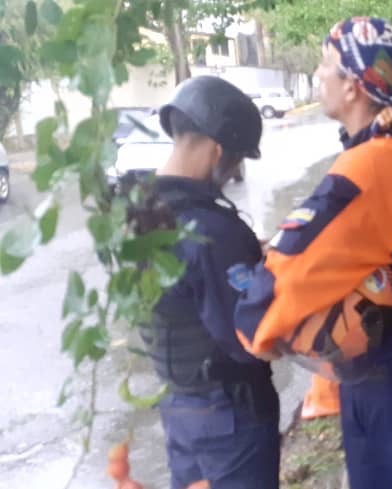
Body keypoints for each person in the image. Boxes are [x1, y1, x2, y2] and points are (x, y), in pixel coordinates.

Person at [234, 16, 392, 489]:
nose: (318, 74)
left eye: (326, 64)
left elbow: (292, 266)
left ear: (355, 85)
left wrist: (252, 325)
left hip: (390, 394)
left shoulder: (371, 165)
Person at [129, 76, 280, 489]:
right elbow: (250, 337)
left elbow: (179, 293)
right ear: (216, 150)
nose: (233, 171)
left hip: (179, 406)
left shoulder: (137, 214)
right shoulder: (213, 230)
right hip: (230, 418)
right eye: (236, 159)